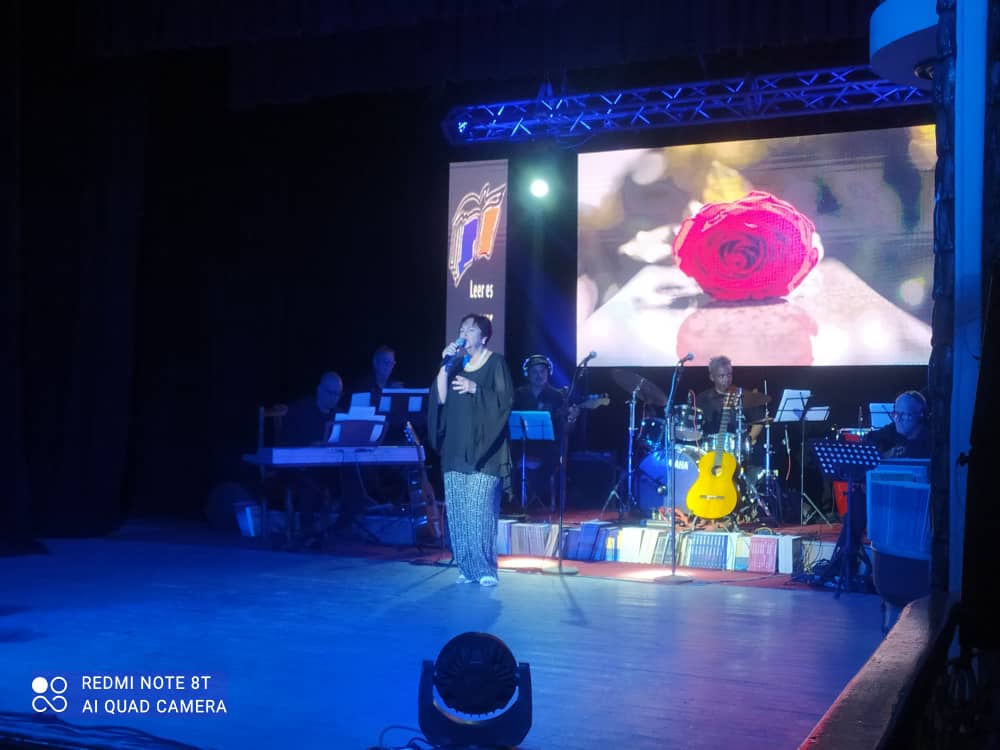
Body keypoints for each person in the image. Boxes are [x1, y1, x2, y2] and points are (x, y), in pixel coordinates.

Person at [427, 314, 513, 587]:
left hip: (485, 452)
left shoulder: (496, 363)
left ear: (483, 337)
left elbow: (505, 401)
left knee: (480, 512)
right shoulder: (455, 364)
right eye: (462, 328)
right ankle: (466, 567)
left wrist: (475, 388)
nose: (464, 333)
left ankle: (485, 569)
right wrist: (444, 365)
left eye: (471, 329)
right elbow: (440, 398)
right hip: (455, 448)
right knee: (458, 513)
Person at [278, 371, 364, 542]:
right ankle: (308, 530)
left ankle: (343, 525)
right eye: (330, 393)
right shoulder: (299, 411)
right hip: (300, 467)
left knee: (354, 474)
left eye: (338, 394)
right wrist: (309, 446)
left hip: (328, 468)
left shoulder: (340, 415)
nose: (334, 398)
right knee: (310, 479)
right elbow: (284, 442)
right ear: (319, 390)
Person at [511, 354, 579, 509]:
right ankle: (514, 501)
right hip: (521, 445)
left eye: (542, 371)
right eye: (534, 372)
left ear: (549, 373)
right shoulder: (518, 394)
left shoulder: (558, 396)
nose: (539, 375)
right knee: (505, 458)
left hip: (547, 447)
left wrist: (572, 419)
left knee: (551, 459)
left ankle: (535, 501)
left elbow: (565, 429)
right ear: (527, 373)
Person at [695, 355, 764, 454]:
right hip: (709, 452)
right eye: (722, 376)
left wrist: (746, 442)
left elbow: (759, 421)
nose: (727, 379)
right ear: (712, 377)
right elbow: (695, 427)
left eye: (729, 375)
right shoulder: (702, 399)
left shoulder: (742, 395)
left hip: (737, 452)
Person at [863, 390, 931, 459]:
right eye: (896, 414)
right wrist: (884, 455)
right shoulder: (894, 428)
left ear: (921, 414)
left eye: (904, 414)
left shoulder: (931, 438)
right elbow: (869, 438)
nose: (898, 419)